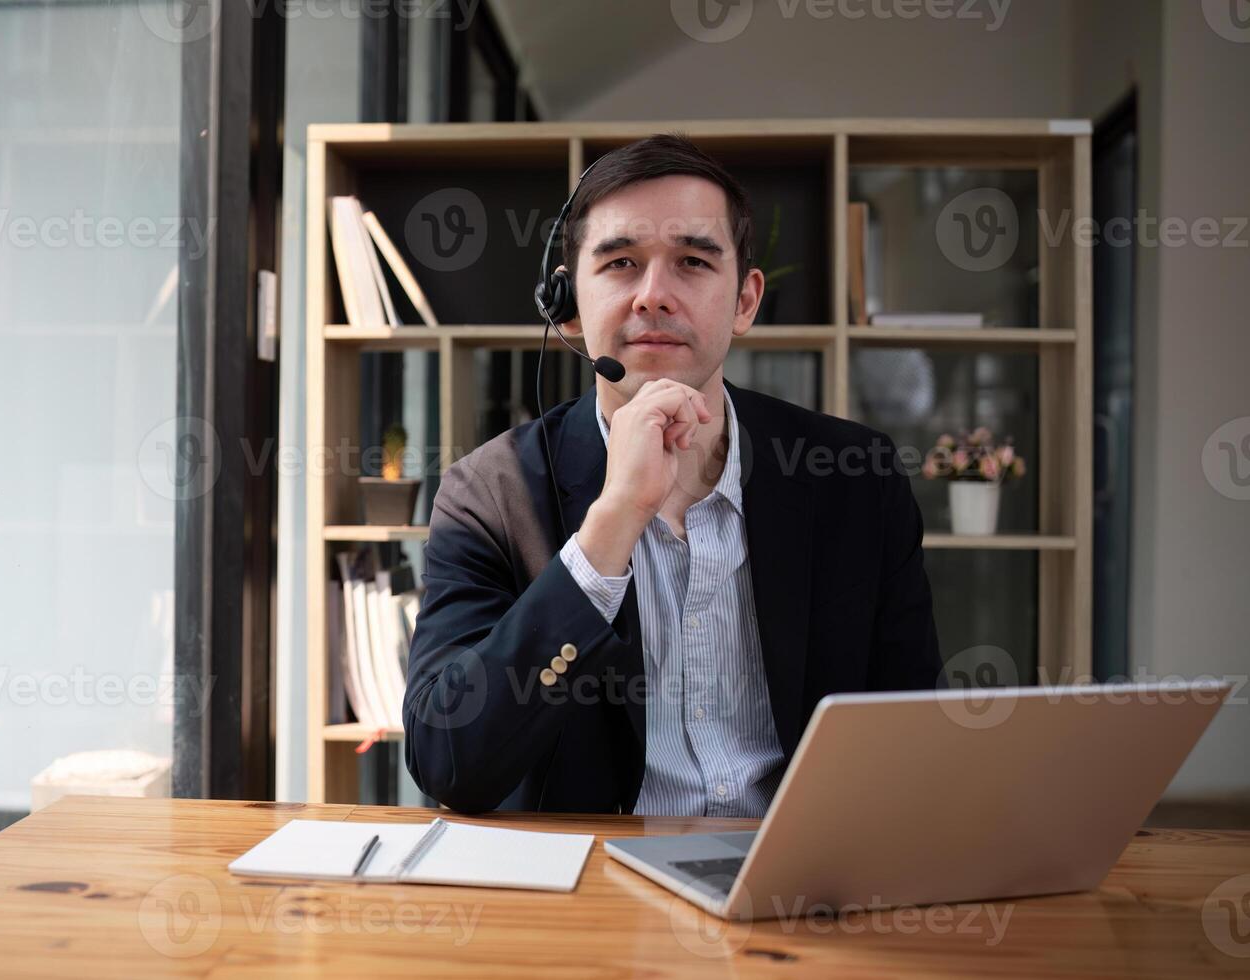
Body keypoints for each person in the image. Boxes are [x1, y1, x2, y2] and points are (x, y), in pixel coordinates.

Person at [403, 133, 941, 815]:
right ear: (568, 304)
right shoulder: (491, 493)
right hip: (594, 896)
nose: (653, 296)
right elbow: (448, 763)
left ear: (746, 301)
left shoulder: (856, 478)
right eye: (622, 263)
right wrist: (609, 529)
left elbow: (910, 738)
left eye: (692, 261)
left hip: (798, 885)